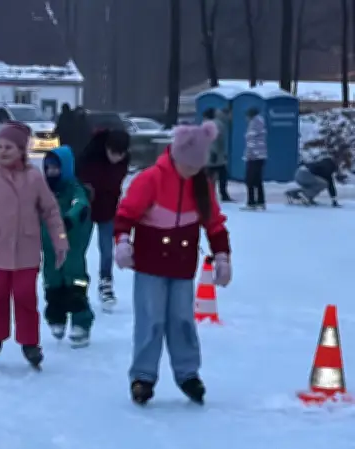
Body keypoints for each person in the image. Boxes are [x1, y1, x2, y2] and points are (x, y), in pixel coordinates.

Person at [114, 122, 231, 406]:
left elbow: (214, 224)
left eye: (197, 168)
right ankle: (143, 376)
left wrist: (222, 256)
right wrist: (122, 241)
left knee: (182, 322)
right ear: (176, 157)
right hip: (150, 265)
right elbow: (126, 214)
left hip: (182, 266)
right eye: (189, 167)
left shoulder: (201, 185)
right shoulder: (150, 179)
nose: (192, 172)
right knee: (151, 320)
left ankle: (188, 374)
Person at [0, 122, 68, 369]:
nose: (3, 151)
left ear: (21, 150)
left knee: (25, 297)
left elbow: (51, 212)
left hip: (26, 252)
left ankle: (30, 343)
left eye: (8, 147)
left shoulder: (34, 178)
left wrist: (60, 242)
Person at [41, 146, 94, 348]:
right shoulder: (43, 191)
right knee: (53, 283)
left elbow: (79, 204)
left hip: (72, 243)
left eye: (56, 169)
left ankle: (81, 322)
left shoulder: (74, 188)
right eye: (48, 169)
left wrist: (70, 218)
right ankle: (57, 317)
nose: (51, 173)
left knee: (75, 282)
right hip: (49, 245)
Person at [76, 128, 130, 312]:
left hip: (108, 208)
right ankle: (78, 284)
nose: (117, 158)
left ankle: (106, 284)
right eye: (114, 153)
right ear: (107, 148)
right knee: (80, 248)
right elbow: (80, 179)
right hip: (87, 208)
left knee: (107, 249)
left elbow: (116, 182)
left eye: (121, 155)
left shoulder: (123, 161)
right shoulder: (90, 157)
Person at [203, 108, 233, 202]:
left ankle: (208, 194)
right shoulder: (218, 124)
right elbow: (216, 139)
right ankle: (222, 194)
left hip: (211, 154)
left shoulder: (207, 125)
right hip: (216, 154)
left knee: (210, 176)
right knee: (221, 175)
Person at [244, 107, 267, 210]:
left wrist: (249, 155)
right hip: (260, 156)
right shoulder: (260, 123)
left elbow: (251, 142)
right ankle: (261, 201)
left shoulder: (254, 124)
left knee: (249, 180)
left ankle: (251, 202)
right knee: (257, 180)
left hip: (254, 157)